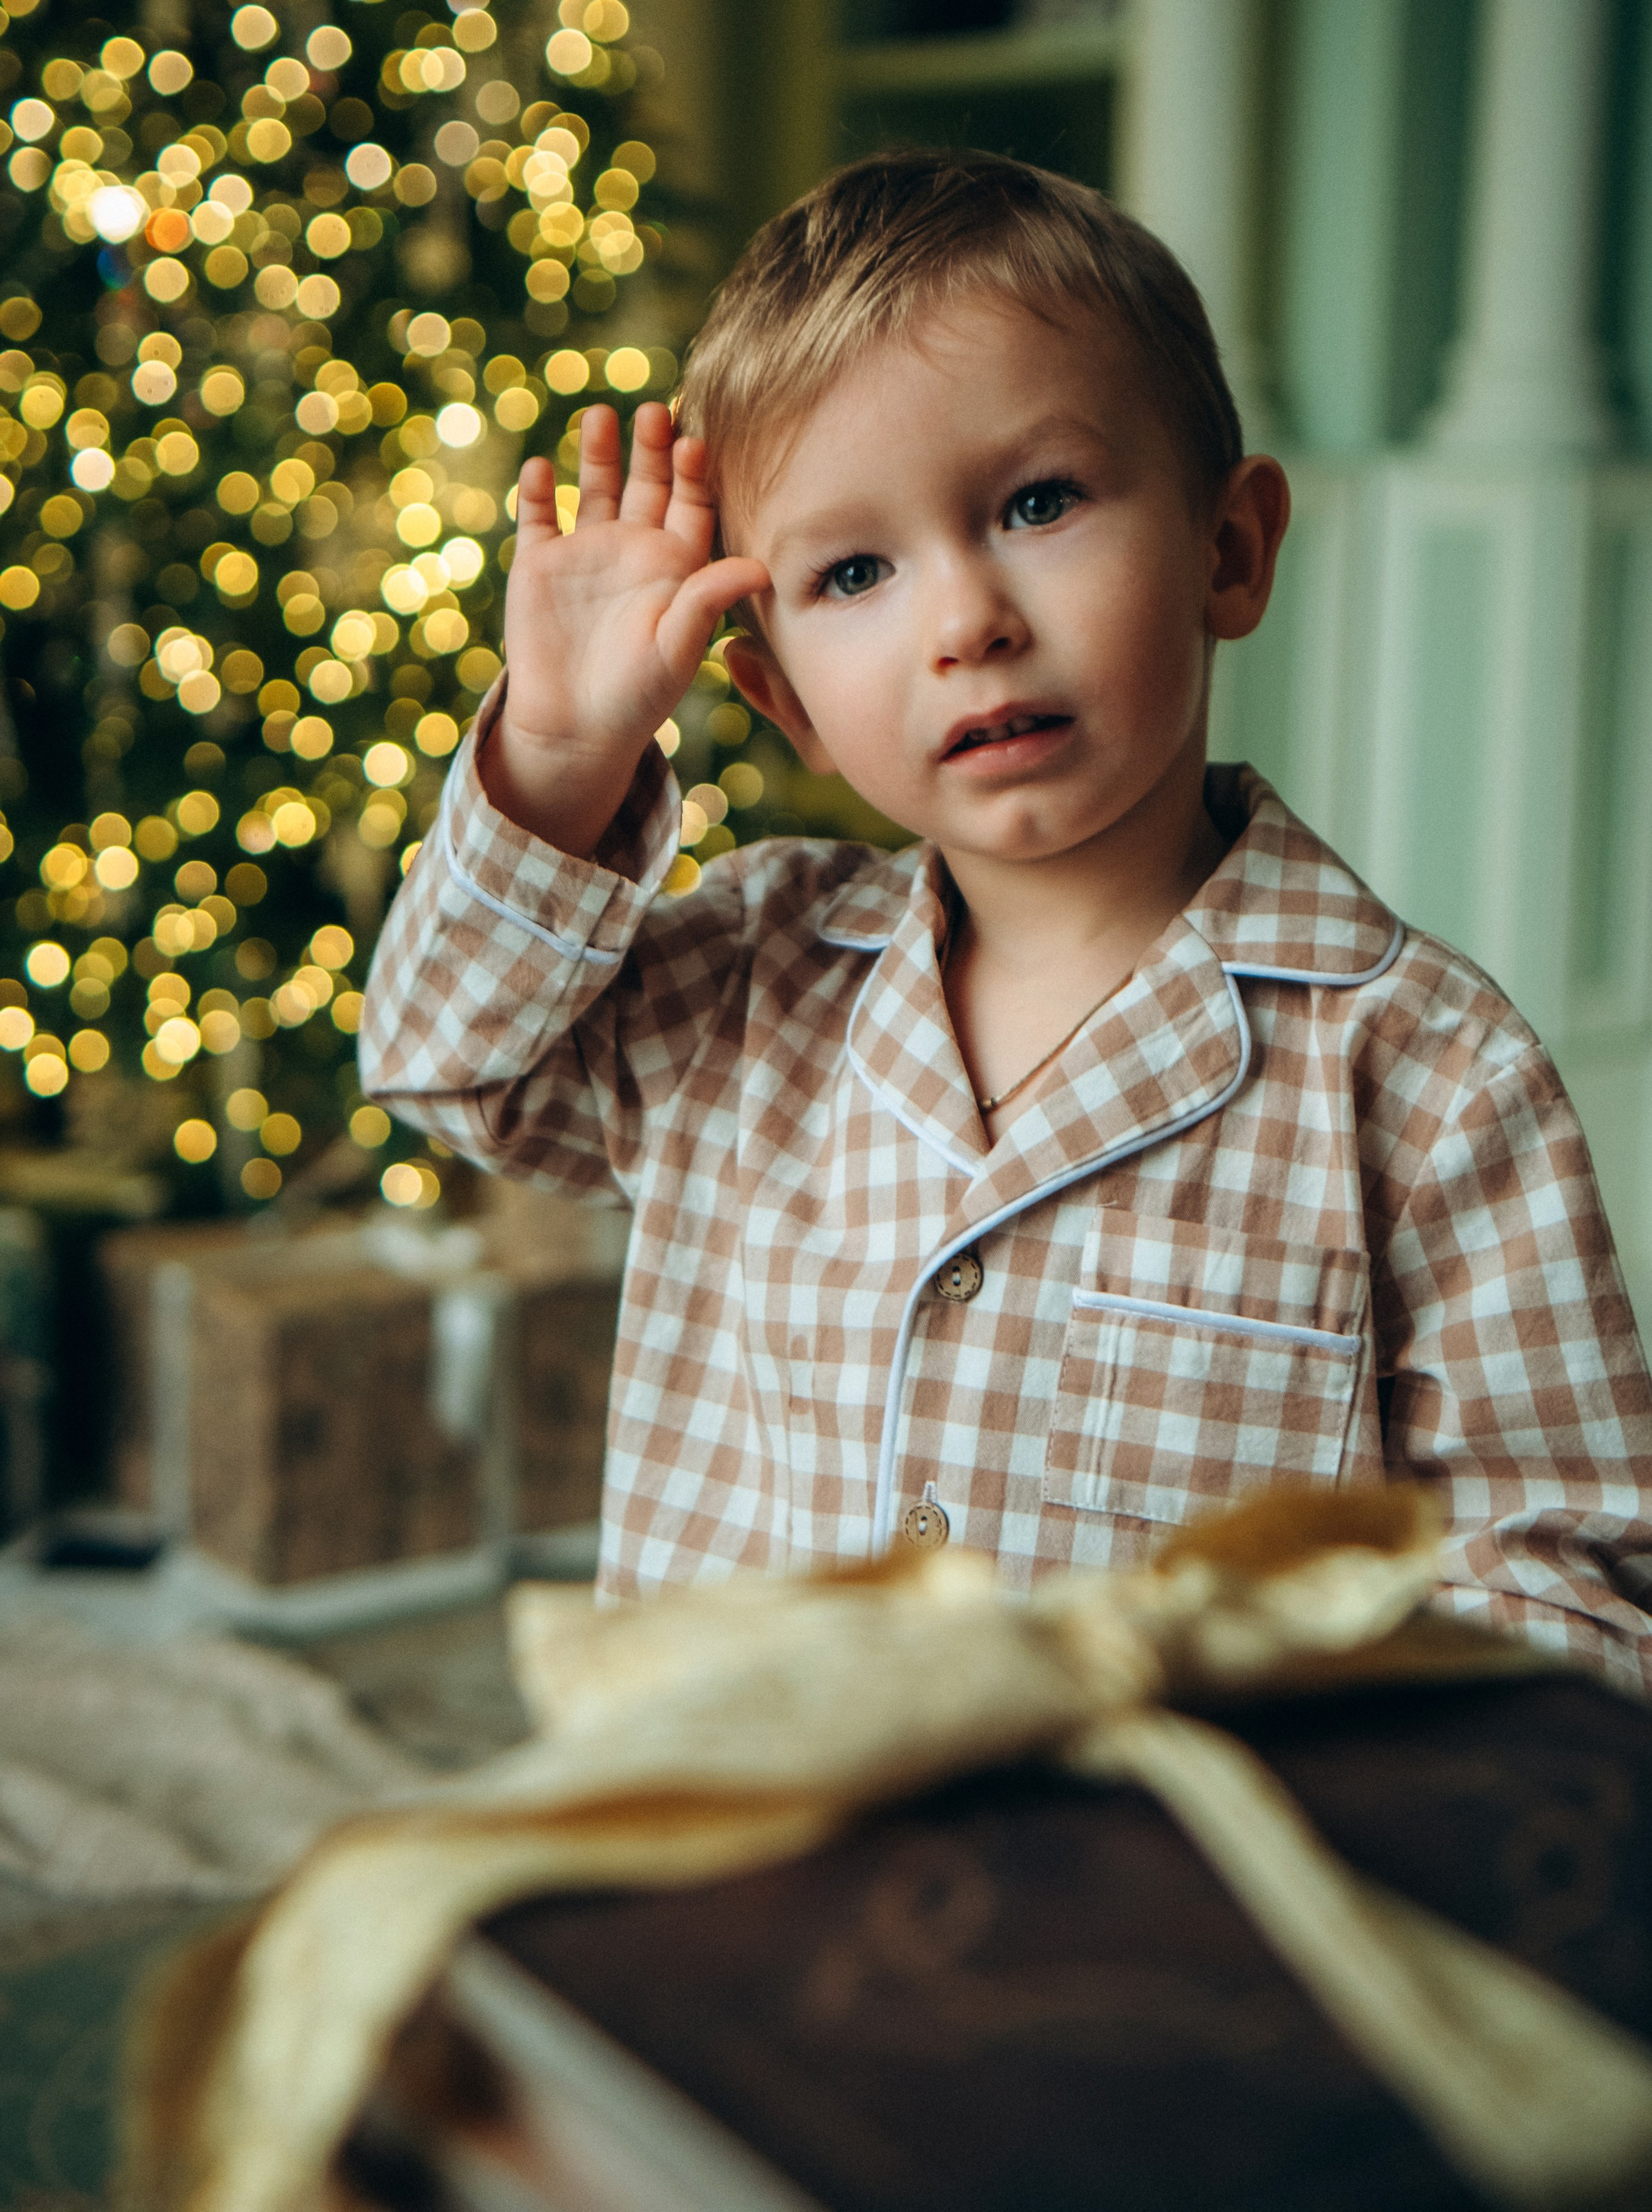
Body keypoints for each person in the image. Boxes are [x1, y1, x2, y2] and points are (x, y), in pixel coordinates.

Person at [360, 149, 1652, 1690]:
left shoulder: (1430, 1078)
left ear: (1227, 550)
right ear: (781, 701)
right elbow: (450, 1069)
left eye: (1037, 503)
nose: (965, 621)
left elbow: (1559, 1584)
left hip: (1168, 1842)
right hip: (760, 1814)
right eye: (854, 572)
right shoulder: (744, 981)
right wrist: (563, 753)